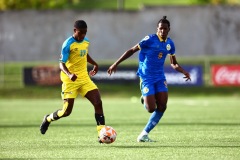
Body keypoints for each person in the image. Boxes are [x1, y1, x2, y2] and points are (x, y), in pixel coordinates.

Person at [107, 16, 191, 142]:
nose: (162, 31)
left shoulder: (170, 44)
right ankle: (144, 98)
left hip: (159, 77)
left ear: (169, 29)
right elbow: (131, 50)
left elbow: (173, 63)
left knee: (162, 106)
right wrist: (115, 64)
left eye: (165, 29)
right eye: (160, 28)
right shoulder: (150, 39)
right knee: (151, 108)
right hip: (146, 76)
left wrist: (183, 71)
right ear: (157, 29)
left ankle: (144, 134)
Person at [40, 20, 105, 143]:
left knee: (98, 102)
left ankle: (101, 134)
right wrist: (69, 74)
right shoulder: (67, 44)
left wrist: (95, 64)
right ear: (75, 31)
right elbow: (61, 63)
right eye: (81, 33)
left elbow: (84, 54)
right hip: (70, 81)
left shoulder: (86, 42)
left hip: (84, 78)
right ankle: (48, 118)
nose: (83, 35)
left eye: (85, 33)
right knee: (66, 112)